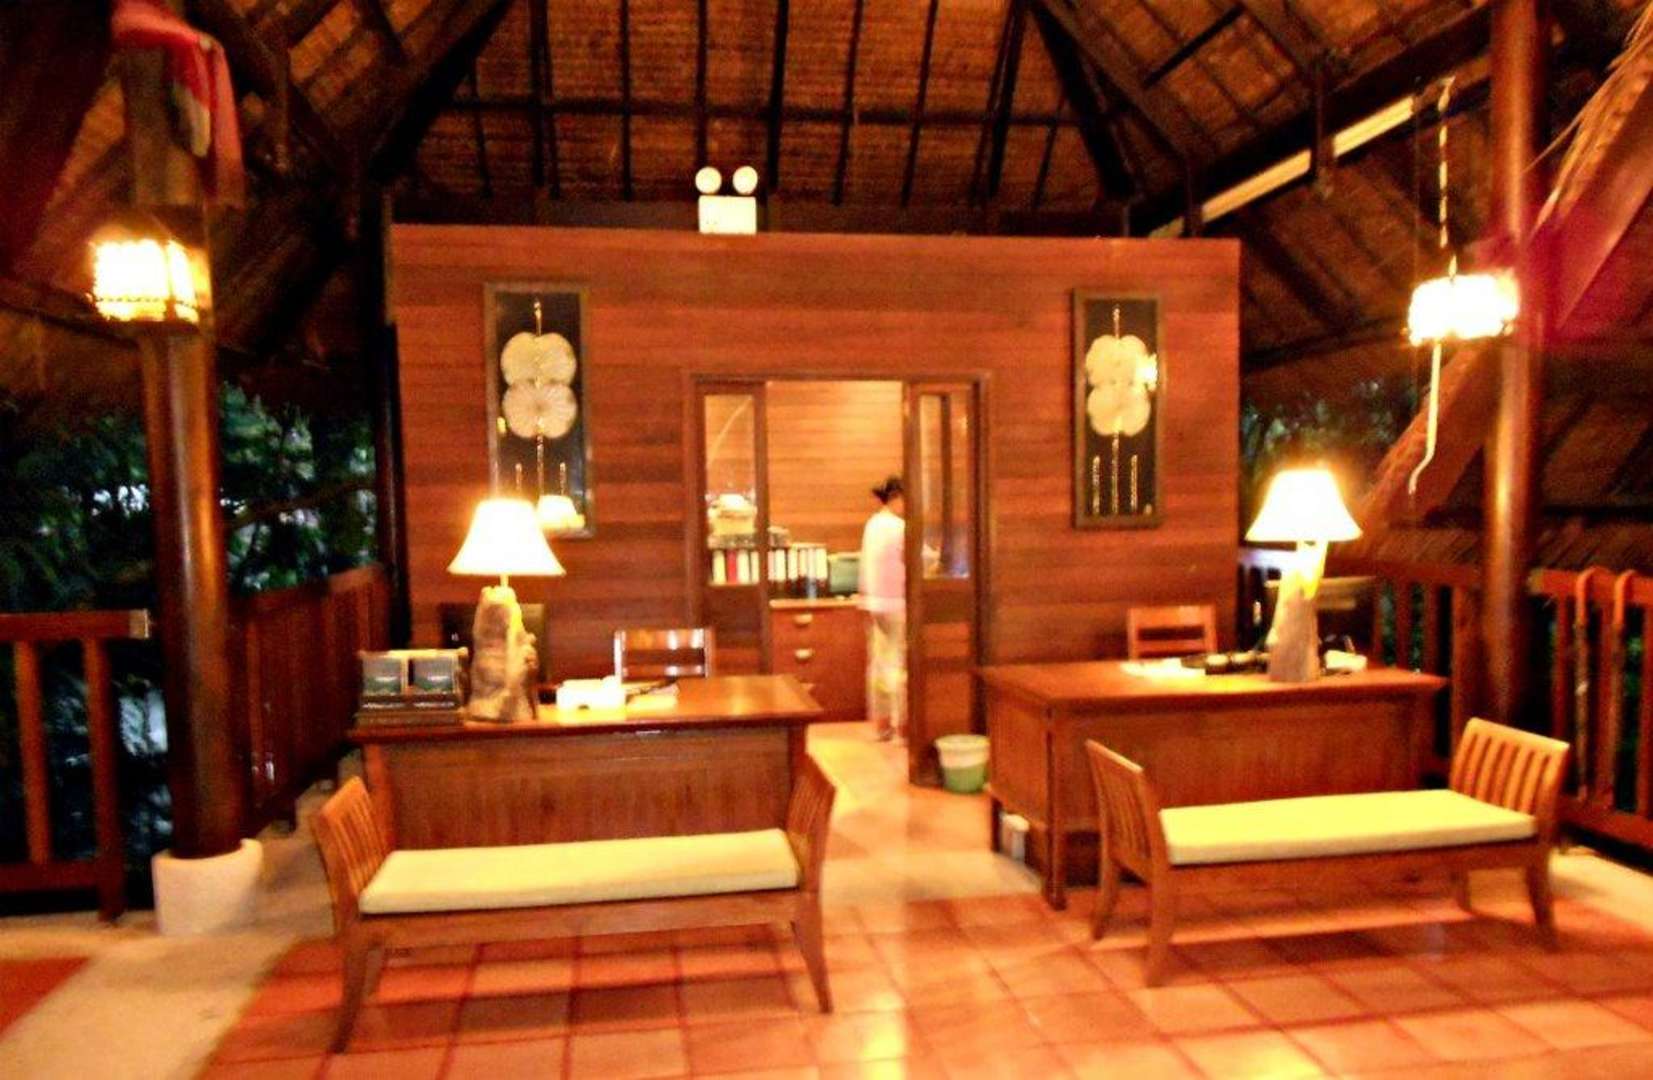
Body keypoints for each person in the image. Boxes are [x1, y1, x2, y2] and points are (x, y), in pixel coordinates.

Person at [859, 475, 907, 741]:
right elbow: (920, 559)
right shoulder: (899, 527)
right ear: (897, 498)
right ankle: (903, 726)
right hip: (896, 604)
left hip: (873, 604)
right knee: (898, 665)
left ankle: (882, 725)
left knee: (879, 664)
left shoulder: (873, 524)